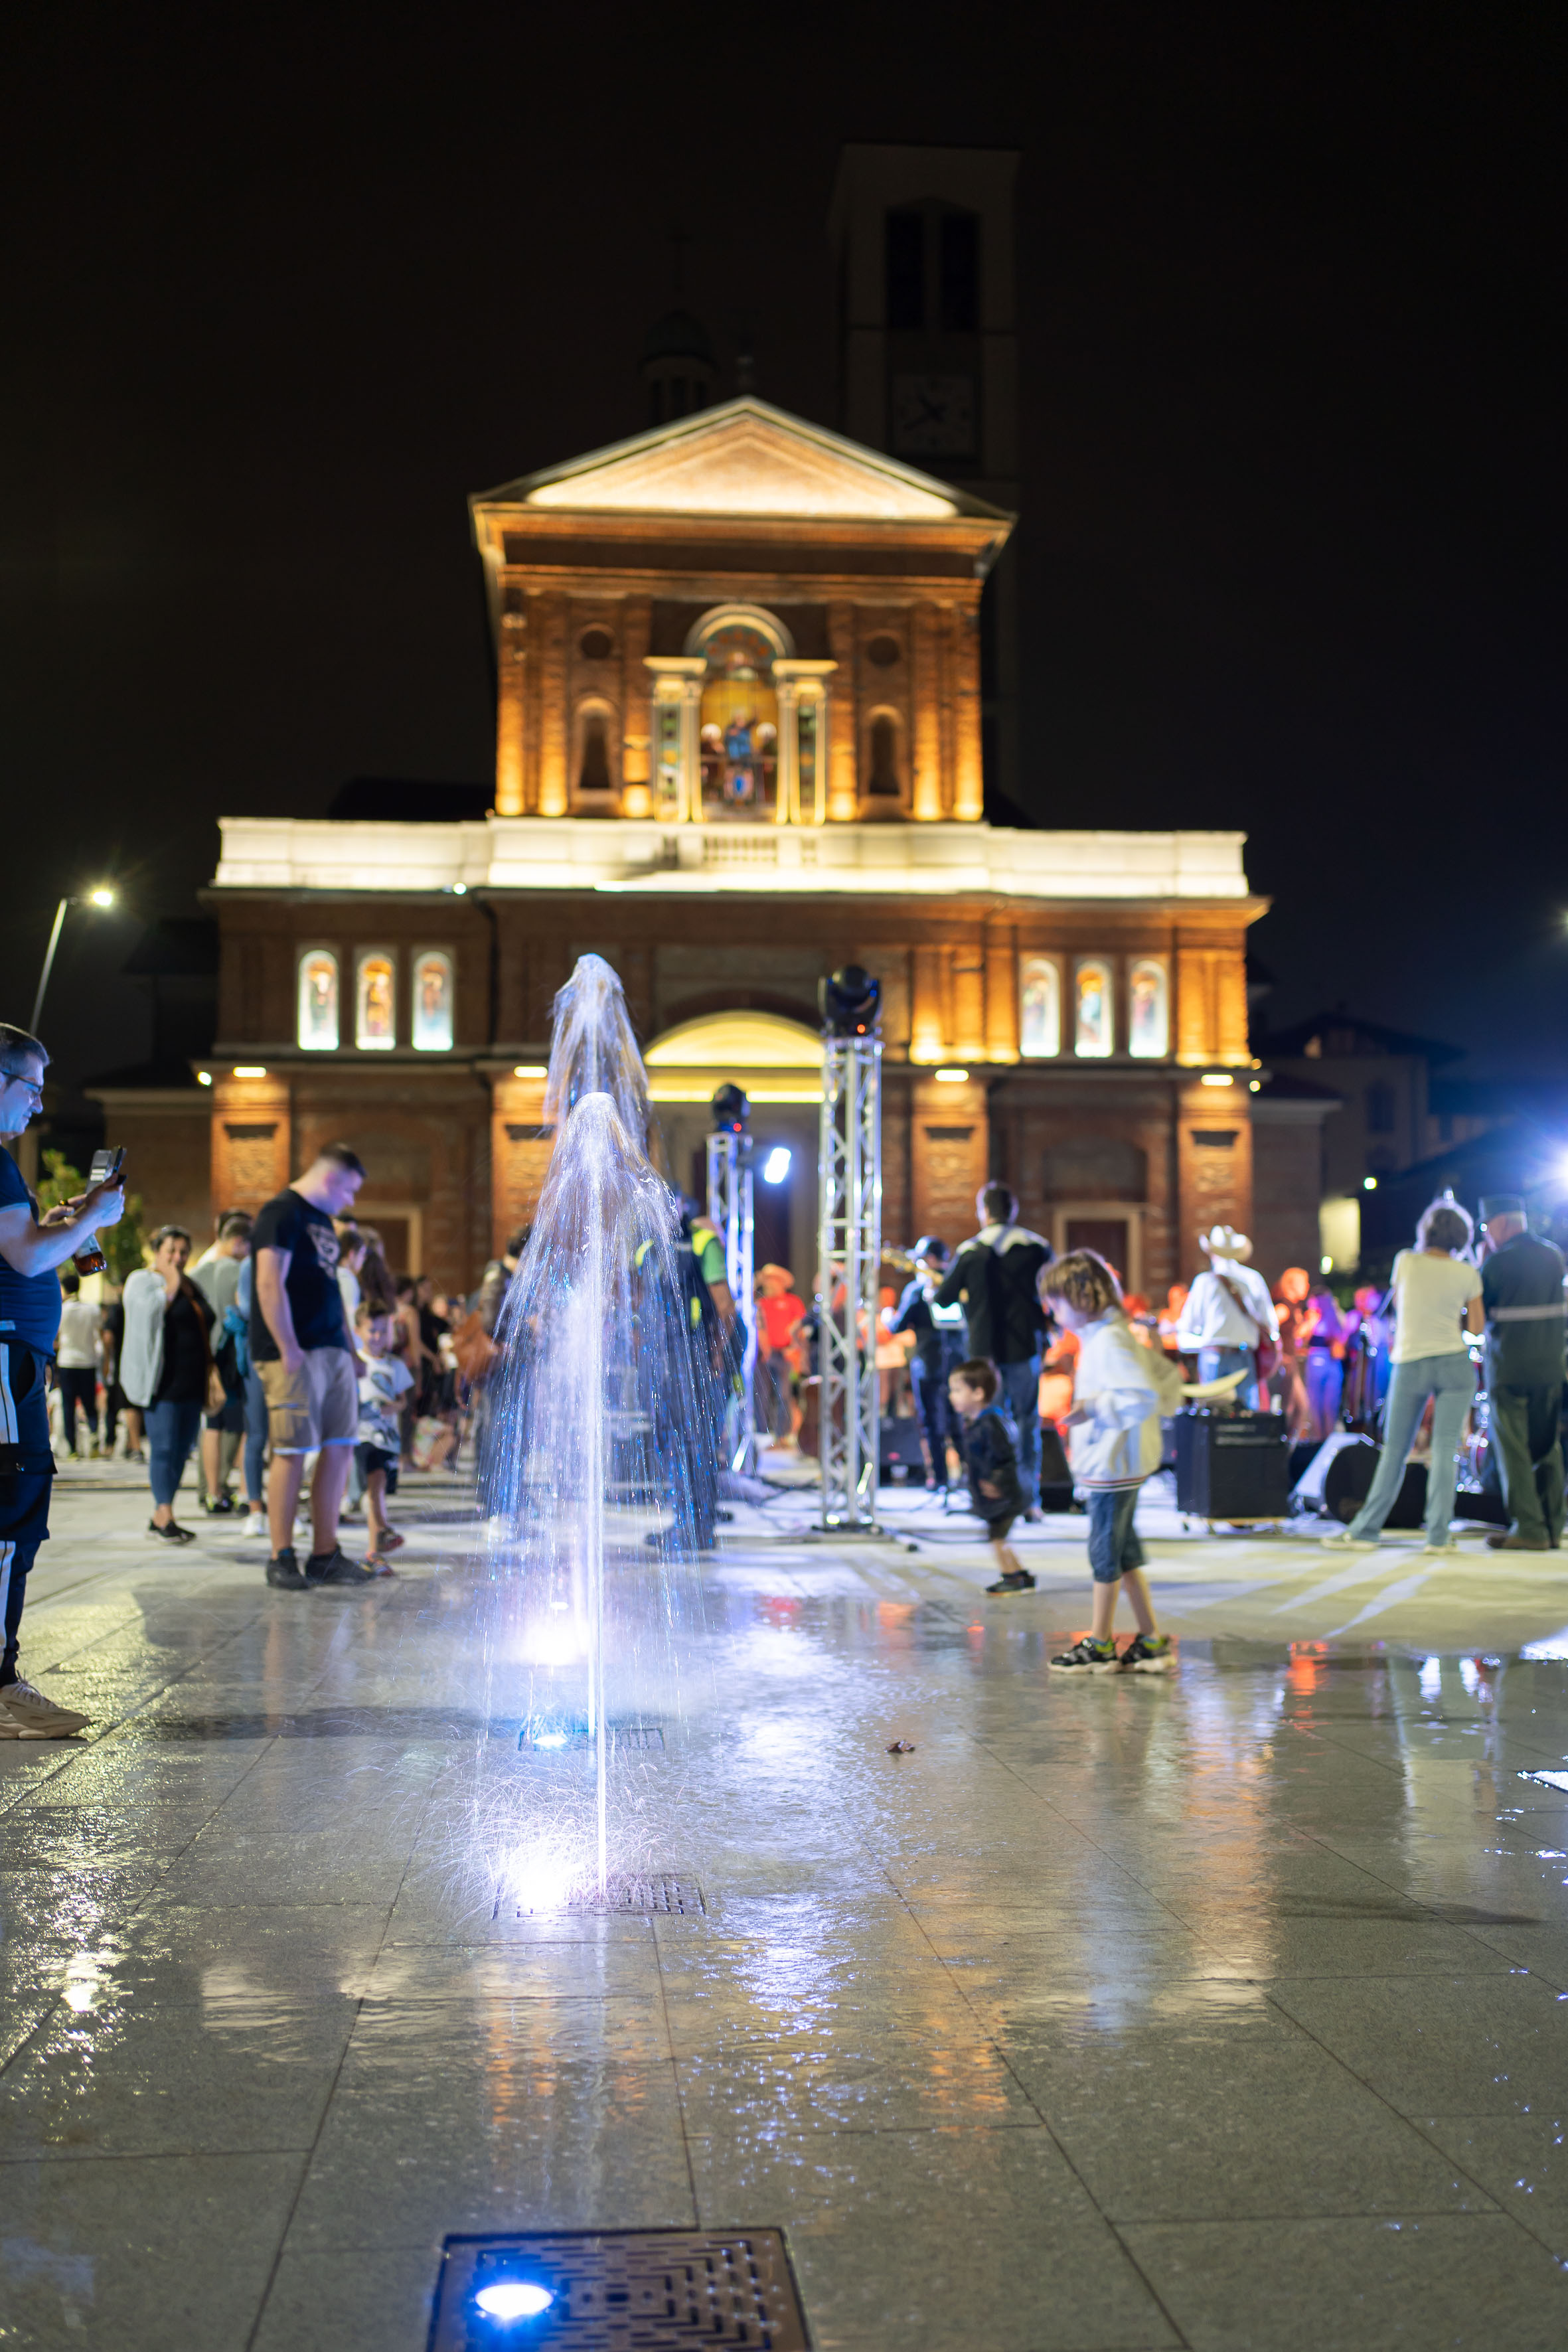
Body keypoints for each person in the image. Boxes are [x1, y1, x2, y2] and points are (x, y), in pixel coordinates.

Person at [0, 1022, 125, 1736]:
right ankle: (1, 1680)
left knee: (14, 1513)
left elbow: (24, 1249)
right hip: (6, 1359)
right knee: (13, 1517)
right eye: (32, 1088)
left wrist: (62, 1230)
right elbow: (21, 1259)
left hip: (15, 1362)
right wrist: (97, 1215)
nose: (38, 1107)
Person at [1323, 1198, 1483, 1555]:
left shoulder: (1406, 1261)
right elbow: (1476, 1327)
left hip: (1412, 1361)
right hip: (1454, 1362)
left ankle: (1366, 1531)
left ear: (1427, 1230)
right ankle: (1438, 1537)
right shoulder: (1468, 1273)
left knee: (1395, 1450)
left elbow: (1397, 1307)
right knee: (1444, 1451)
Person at [1040, 1249, 1172, 1673]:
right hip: (1118, 1465)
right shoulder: (1108, 1336)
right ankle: (1150, 1640)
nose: (1052, 1311)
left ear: (1079, 1298)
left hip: (1113, 1466)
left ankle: (1100, 1644)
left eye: (1056, 1301)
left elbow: (1140, 1396)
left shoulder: (1110, 1340)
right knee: (1124, 1554)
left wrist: (1092, 1408)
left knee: (1105, 1554)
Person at [250, 1142, 373, 1589]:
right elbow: (269, 1281)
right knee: (292, 1449)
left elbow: (330, 1288)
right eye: (351, 1190)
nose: (351, 1201)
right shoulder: (281, 1212)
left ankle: (325, 1552)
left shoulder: (322, 1220)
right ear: (331, 1179)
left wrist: (351, 1350)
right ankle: (281, 1555)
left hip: (332, 1349)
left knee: (340, 1444)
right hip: (293, 1351)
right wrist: (287, 1346)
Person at [934, 1186, 1053, 1514]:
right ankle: (1030, 1501)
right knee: (1027, 1423)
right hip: (1025, 1347)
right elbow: (1052, 1295)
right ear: (1013, 1210)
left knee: (989, 1425)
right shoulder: (1037, 1247)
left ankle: (995, 1497)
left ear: (983, 1211)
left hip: (984, 1354)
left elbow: (943, 1298)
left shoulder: (971, 1251)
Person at [1478, 1194, 1567, 1552]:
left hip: (1510, 1370)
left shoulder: (1497, 1263)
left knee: (1513, 1448)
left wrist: (1482, 1266)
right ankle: (1553, 1524)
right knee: (1548, 1446)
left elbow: (1477, 1317)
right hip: (1551, 1367)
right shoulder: (1554, 1255)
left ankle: (1528, 1527)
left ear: (1499, 1224)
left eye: (1487, 1229)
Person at [122, 1225, 216, 1543]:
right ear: (157, 1252)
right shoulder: (142, 1280)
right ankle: (165, 1514)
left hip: (192, 1382)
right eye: (171, 1251)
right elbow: (145, 1315)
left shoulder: (192, 1285)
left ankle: (162, 1514)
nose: (177, 1258)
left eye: (183, 1252)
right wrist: (171, 1281)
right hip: (161, 1382)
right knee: (162, 1448)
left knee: (180, 1452)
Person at [947, 1356, 1030, 1591]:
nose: (952, 1396)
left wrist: (996, 1482)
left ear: (978, 1393)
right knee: (999, 1537)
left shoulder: (991, 1424)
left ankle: (1012, 1577)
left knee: (998, 1539)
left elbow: (1006, 1458)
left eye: (957, 1390)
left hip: (1005, 1496)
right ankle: (1020, 1574)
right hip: (999, 1497)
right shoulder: (980, 1423)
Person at [1175, 1224, 1279, 1407]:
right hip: (1244, 1356)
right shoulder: (1253, 1279)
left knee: (1214, 1419)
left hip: (1214, 1357)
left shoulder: (1205, 1282)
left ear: (1211, 1252)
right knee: (1246, 1419)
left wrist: (1207, 1342)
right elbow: (1270, 1324)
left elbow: (1186, 1330)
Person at [893, 1238, 967, 1490]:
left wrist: (886, 1318)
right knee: (958, 1421)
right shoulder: (961, 1284)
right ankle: (969, 1478)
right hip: (960, 1364)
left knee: (933, 1423)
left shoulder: (917, 1291)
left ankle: (941, 1479)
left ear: (930, 1260)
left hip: (929, 1364)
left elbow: (898, 1326)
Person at [191, 1210, 252, 1514]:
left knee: (211, 1425)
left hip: (206, 1356)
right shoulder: (240, 1271)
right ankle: (244, 1492)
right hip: (234, 1356)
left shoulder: (199, 1271)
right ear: (240, 1242)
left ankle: (213, 1493)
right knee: (245, 1425)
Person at [353, 1302, 412, 1571]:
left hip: (388, 1438)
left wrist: (390, 1407)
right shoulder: (354, 1362)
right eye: (371, 1331)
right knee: (375, 1487)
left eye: (381, 1331)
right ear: (358, 1330)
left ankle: (375, 1552)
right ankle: (383, 1534)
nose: (377, 1337)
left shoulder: (394, 1365)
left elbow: (402, 1400)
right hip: (363, 1436)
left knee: (378, 1492)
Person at [754, 1262, 806, 1446]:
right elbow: (760, 1328)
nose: (769, 1284)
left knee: (784, 1394)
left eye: (772, 1280)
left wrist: (795, 1349)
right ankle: (763, 1435)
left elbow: (800, 1328)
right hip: (765, 1356)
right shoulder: (761, 1303)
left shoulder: (792, 1302)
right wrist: (765, 1348)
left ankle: (782, 1435)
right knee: (763, 1394)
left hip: (785, 1355)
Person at [55, 1272, 103, 1457]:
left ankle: (73, 1448)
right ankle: (93, 1435)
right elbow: (99, 1332)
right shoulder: (92, 1309)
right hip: (88, 1361)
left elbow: (56, 1336)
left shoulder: (62, 1310)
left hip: (67, 1361)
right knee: (89, 1404)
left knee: (68, 1406)